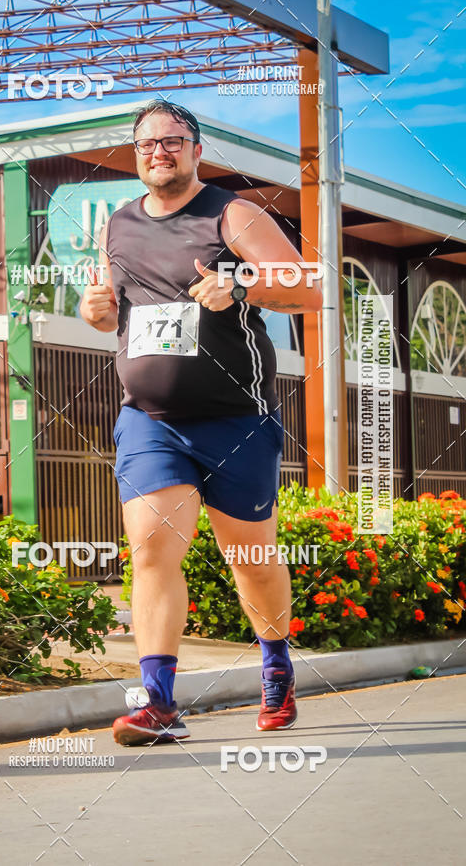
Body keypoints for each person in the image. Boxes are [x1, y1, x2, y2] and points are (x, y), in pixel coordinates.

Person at [79, 100, 322, 746]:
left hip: (235, 419)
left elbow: (307, 287)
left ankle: (276, 664)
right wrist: (95, 309)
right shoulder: (117, 226)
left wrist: (241, 283)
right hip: (150, 420)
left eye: (173, 141)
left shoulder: (231, 213)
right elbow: (113, 317)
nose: (159, 151)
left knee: (250, 558)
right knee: (153, 550)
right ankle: (157, 702)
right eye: (147, 143)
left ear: (195, 148)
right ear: (136, 155)